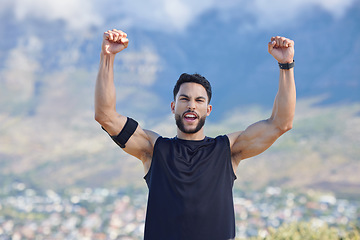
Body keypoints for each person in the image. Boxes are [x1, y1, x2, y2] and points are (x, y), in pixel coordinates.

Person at [95, 29, 296, 240]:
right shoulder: (154, 149)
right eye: (184, 99)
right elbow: (106, 116)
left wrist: (286, 65)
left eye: (199, 100)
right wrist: (107, 56)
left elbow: (281, 123)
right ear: (173, 106)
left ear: (208, 110)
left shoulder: (227, 150)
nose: (191, 105)